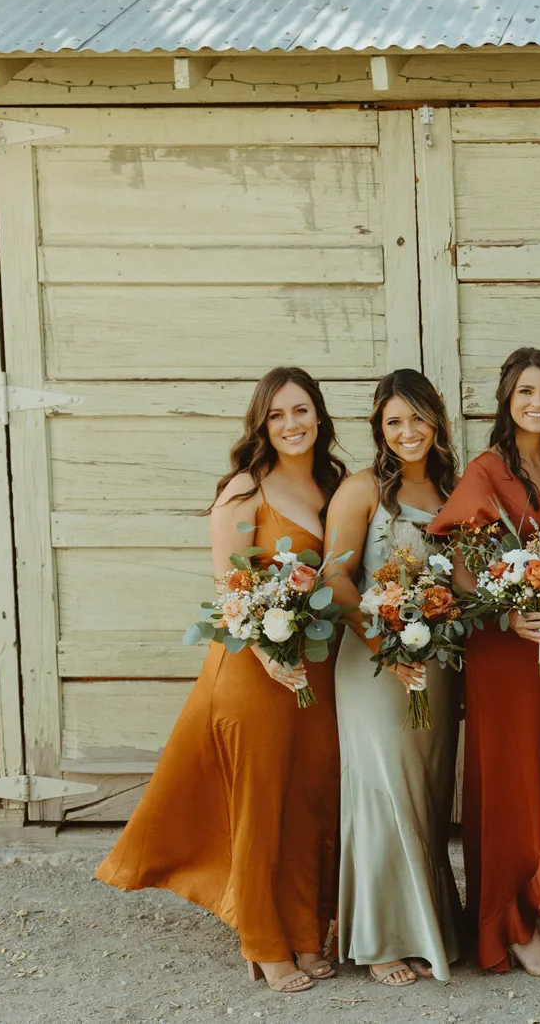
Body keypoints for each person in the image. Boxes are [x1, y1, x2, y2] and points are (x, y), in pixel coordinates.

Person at [95, 367, 348, 993]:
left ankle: (308, 931)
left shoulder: (334, 485)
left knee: (311, 797)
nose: (291, 425)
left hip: (315, 669)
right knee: (260, 804)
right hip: (253, 668)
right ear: (261, 425)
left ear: (319, 414)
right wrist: (266, 654)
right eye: (277, 416)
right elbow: (228, 588)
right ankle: (265, 945)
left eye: (301, 411)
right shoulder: (244, 489)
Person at [425, 348, 540, 977]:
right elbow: (461, 564)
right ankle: (510, 927)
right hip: (510, 652)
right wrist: (506, 613)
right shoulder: (488, 468)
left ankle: (536, 905)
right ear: (506, 399)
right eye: (525, 391)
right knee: (513, 779)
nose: (537, 402)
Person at [324, 369, 462, 985]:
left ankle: (425, 925)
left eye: (418, 419)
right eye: (394, 422)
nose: (408, 433)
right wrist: (383, 641)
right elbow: (335, 579)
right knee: (381, 790)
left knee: (426, 796)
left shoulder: (452, 490)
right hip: (373, 661)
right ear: (380, 430)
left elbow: (462, 580)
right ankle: (380, 938)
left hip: (435, 664)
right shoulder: (361, 492)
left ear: (437, 421)